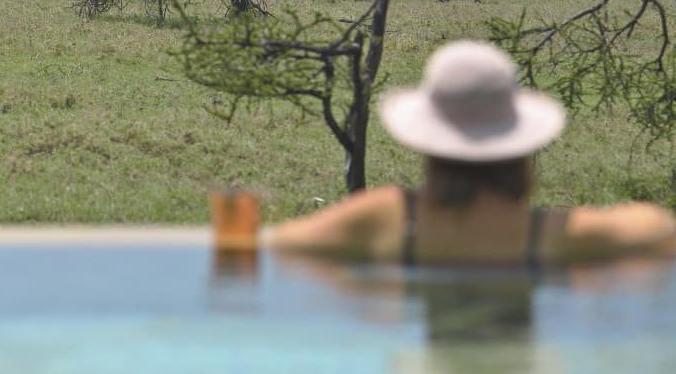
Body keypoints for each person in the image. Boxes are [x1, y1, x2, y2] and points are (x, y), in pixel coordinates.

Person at [266, 40, 676, 265]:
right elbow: (658, 227)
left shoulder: (384, 218)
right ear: (521, 146)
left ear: (428, 144)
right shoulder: (557, 236)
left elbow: (279, 245)